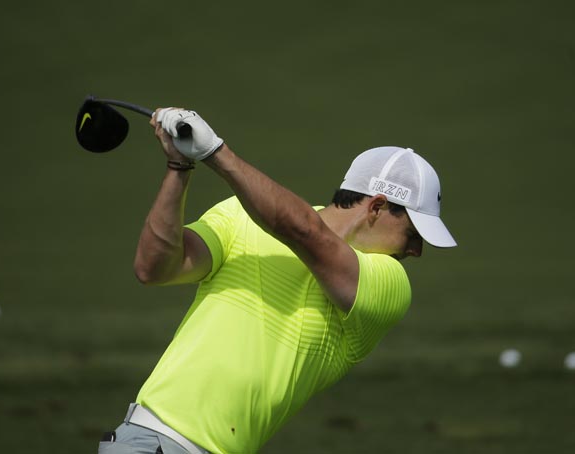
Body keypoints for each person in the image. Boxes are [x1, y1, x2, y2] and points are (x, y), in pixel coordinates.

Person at [97, 107, 457, 454]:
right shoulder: (241, 215)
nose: (416, 252)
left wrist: (216, 153)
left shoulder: (390, 285)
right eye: (413, 235)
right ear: (377, 208)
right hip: (152, 441)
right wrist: (179, 166)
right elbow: (154, 268)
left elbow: (305, 233)